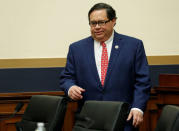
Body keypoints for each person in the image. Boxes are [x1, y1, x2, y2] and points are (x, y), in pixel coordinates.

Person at [60, 3, 151, 131]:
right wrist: (70, 88)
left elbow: (143, 81)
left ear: (113, 21)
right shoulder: (76, 48)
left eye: (101, 22)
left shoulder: (133, 46)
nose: (97, 27)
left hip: (123, 120)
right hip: (88, 122)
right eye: (93, 23)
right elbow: (66, 77)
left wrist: (138, 107)